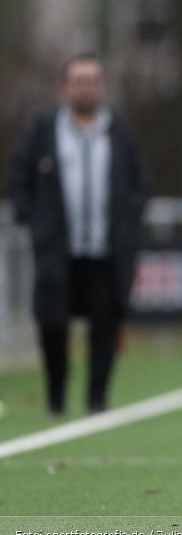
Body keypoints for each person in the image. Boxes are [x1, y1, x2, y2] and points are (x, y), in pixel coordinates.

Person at [7, 53, 150, 416]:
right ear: (64, 87)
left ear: (101, 87)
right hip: (58, 251)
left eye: (92, 81)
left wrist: (128, 219)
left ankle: (96, 399)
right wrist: (34, 220)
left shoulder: (120, 134)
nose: (85, 88)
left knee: (106, 325)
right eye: (78, 81)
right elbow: (18, 179)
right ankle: (56, 399)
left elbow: (141, 183)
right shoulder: (43, 133)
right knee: (52, 325)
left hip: (106, 251)